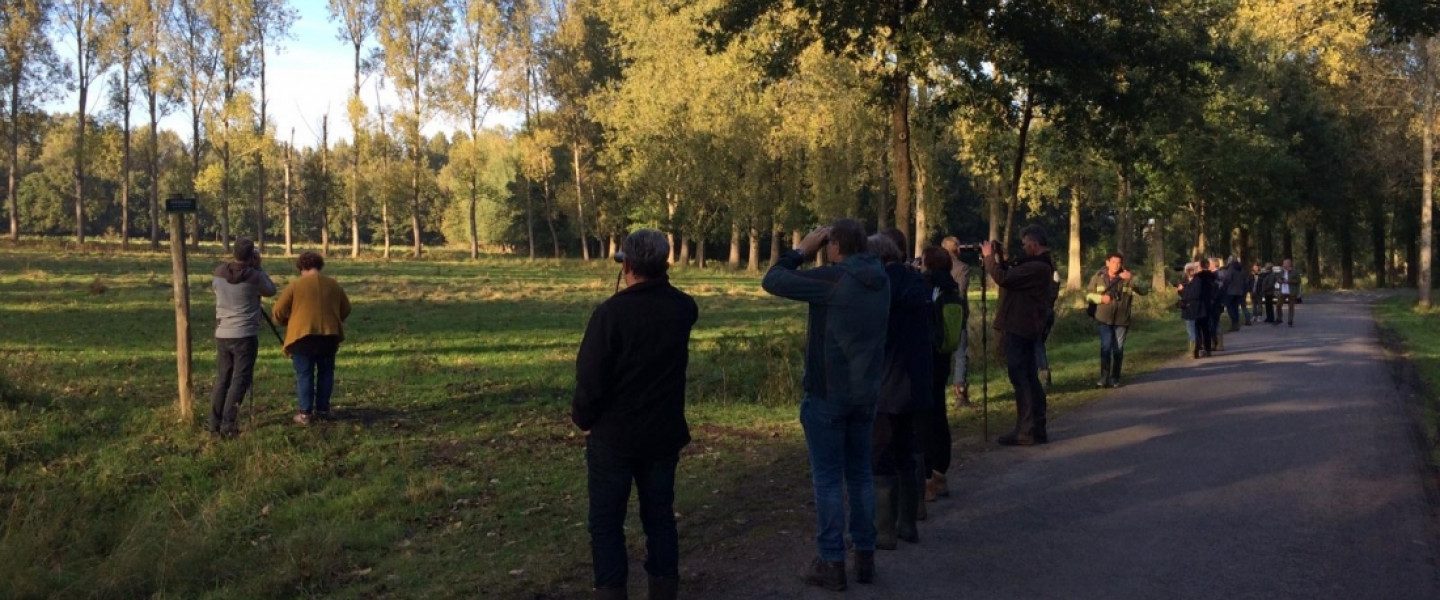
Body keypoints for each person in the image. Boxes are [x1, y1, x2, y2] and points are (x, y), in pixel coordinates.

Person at [762, 219, 890, 590]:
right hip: (866, 394)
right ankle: (865, 556)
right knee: (861, 474)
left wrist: (802, 251)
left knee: (829, 480)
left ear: (834, 246)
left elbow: (772, 280)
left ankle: (832, 561)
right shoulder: (882, 280)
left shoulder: (835, 280)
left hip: (829, 393)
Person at [572, 230, 698, 600]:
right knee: (659, 517)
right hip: (663, 433)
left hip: (615, 436)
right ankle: (663, 590)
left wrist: (583, 418)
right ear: (665, 265)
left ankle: (611, 591)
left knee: (606, 522)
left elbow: (591, 376)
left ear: (626, 265)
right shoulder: (684, 308)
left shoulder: (610, 314)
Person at [869, 230, 931, 549]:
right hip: (915, 382)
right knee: (907, 450)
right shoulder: (917, 282)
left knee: (881, 452)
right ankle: (908, 523)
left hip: (886, 381)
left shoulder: (881, 286)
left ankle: (883, 531)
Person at [979, 225, 1055, 446]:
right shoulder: (1040, 266)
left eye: (1024, 244)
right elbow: (1012, 275)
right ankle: (1034, 427)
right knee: (1027, 376)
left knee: (1022, 378)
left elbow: (1004, 278)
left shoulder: (1038, 267)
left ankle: (1027, 429)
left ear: (1034, 243)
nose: (1023, 248)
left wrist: (988, 259)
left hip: (1020, 326)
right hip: (1024, 325)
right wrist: (1001, 257)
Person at [272, 251, 351, 425]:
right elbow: (346, 309)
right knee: (326, 373)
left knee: (304, 374)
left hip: (302, 337)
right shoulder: (333, 285)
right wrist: (334, 319)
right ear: (320, 266)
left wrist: (288, 322)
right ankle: (323, 410)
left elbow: (278, 311)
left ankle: (305, 414)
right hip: (329, 336)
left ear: (301, 267)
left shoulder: (295, 286)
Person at [209, 237, 276, 437]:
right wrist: (259, 268)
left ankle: (214, 422)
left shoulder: (219, 273)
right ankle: (229, 424)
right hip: (245, 334)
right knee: (240, 380)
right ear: (251, 255)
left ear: (234, 253)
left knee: (223, 379)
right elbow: (271, 290)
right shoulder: (254, 277)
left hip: (222, 332)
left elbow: (215, 289)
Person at [918, 247, 964, 503]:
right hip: (943, 356)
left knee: (924, 418)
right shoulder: (952, 288)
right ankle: (940, 473)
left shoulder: (927, 287)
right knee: (939, 415)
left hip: (927, 356)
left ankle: (926, 478)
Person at [1085, 252, 1147, 388]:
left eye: (1119, 263)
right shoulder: (1098, 277)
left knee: (1118, 349)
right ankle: (1104, 377)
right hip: (1103, 319)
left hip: (1122, 320)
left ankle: (1115, 377)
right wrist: (1101, 299)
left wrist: (1133, 278)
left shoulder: (1128, 278)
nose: (1116, 265)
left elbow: (1145, 290)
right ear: (1107, 263)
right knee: (1105, 347)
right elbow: (1088, 296)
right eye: (1113, 262)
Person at [940, 237, 972, 407]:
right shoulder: (963, 268)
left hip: (937, 316)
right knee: (960, 354)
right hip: (957, 316)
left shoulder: (931, 267)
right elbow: (961, 292)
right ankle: (960, 391)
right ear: (957, 250)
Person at [1177, 262, 1211, 358]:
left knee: (1203, 329)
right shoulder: (1184, 280)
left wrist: (1183, 290)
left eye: (1191, 270)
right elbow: (1183, 295)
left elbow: (1195, 294)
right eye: (1188, 270)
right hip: (1188, 309)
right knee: (1192, 331)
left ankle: (1204, 349)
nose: (1189, 272)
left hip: (1199, 309)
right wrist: (1180, 291)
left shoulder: (1198, 281)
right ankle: (1194, 350)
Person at [1222, 257, 1247, 332]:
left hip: (1230, 291)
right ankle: (1236, 324)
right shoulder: (1241, 269)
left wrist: (1225, 285)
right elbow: (1244, 279)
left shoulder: (1231, 268)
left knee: (1230, 308)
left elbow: (1228, 279)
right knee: (1236, 308)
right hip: (1239, 291)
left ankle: (1234, 323)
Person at [1275, 258, 1300, 327]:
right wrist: (1279, 281)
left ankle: (1290, 320)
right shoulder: (1282, 271)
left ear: (1289, 264)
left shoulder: (1294, 272)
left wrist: (1288, 281)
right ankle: (1279, 318)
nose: (1283, 265)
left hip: (1291, 291)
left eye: (1284, 263)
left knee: (1291, 306)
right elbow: (1277, 278)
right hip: (1283, 291)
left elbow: (1298, 281)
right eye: (1283, 263)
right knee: (1278, 305)